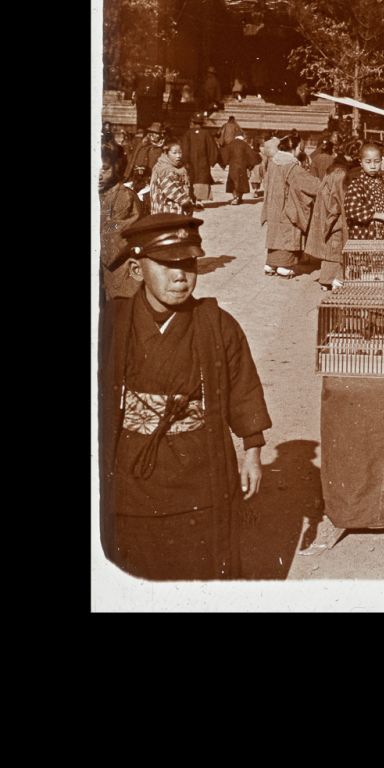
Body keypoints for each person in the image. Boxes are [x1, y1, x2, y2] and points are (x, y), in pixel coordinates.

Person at [100, 214, 271, 580]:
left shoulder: (217, 324)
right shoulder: (112, 324)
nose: (181, 276)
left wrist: (252, 452)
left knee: (202, 569)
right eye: (166, 265)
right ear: (135, 268)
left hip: (200, 469)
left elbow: (244, 387)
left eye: (189, 263)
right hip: (132, 469)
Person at [299, 137, 351, 290]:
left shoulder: (330, 174)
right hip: (336, 220)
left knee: (329, 251)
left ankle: (325, 279)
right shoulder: (340, 174)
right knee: (335, 252)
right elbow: (338, 201)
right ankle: (330, 279)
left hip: (326, 216)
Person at [99, 148, 142, 301]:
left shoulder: (123, 196)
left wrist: (101, 230)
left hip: (118, 266)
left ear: (115, 168)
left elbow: (117, 226)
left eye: (105, 169)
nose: (98, 175)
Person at [262, 135, 305, 276]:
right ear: (294, 148)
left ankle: (271, 264)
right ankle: (284, 267)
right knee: (287, 234)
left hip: (273, 204)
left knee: (274, 233)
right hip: (287, 205)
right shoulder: (291, 164)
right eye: (299, 147)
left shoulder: (273, 161)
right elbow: (304, 184)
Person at [344, 144, 384, 241]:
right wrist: (379, 215)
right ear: (361, 162)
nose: (373, 166)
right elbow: (352, 211)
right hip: (365, 236)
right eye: (368, 162)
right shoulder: (357, 185)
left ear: (381, 161)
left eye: (377, 161)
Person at [183, 115, 219, 207]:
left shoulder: (188, 133)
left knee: (191, 179)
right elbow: (212, 148)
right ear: (201, 124)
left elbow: (185, 148)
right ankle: (199, 200)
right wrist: (212, 160)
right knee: (202, 179)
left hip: (191, 162)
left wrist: (185, 160)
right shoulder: (206, 133)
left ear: (193, 123)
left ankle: (192, 199)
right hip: (203, 162)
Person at [150, 142, 194, 218]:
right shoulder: (164, 169)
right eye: (174, 153)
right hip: (166, 209)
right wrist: (185, 201)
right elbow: (170, 188)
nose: (178, 156)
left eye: (180, 153)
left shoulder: (179, 167)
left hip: (176, 207)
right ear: (166, 153)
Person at [222, 123, 254, 203]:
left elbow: (225, 155)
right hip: (242, 166)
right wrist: (250, 166)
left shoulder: (231, 144)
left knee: (233, 181)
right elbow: (251, 155)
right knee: (241, 182)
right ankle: (239, 197)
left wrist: (224, 163)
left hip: (233, 166)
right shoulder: (245, 144)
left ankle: (235, 197)